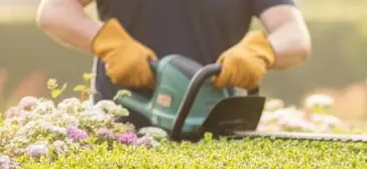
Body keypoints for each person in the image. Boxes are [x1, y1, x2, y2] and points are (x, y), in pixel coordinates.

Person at [36, 0, 312, 127]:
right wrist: (109, 42)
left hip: (211, 124)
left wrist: (260, 52)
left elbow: (294, 34)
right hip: (121, 126)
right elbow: (54, 10)